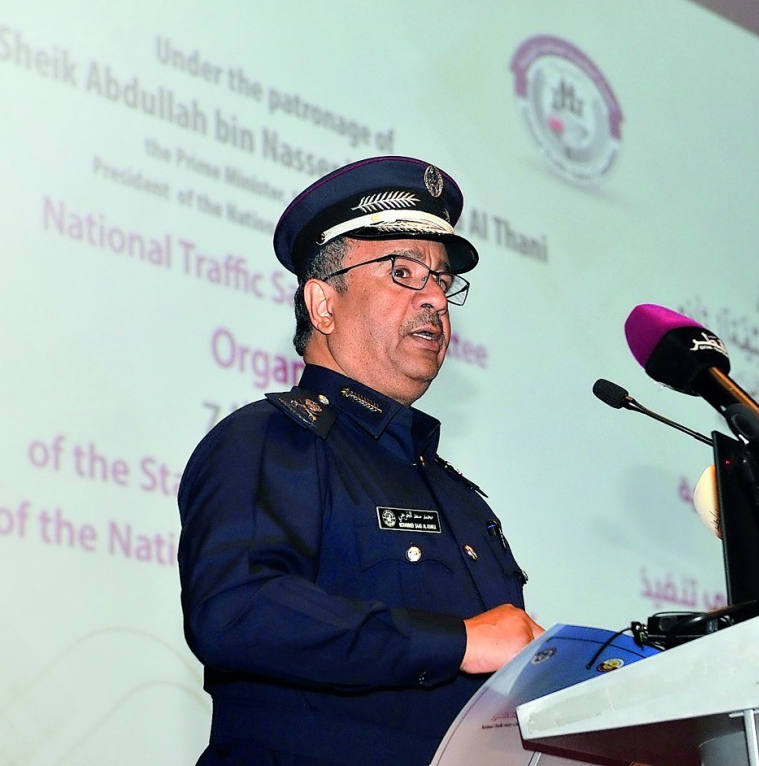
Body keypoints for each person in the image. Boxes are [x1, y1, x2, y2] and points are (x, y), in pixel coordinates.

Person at [177, 155, 545, 766]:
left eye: (442, 279)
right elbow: (237, 610)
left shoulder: (458, 496)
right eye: (403, 272)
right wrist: (455, 642)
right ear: (322, 305)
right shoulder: (269, 441)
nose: (435, 299)